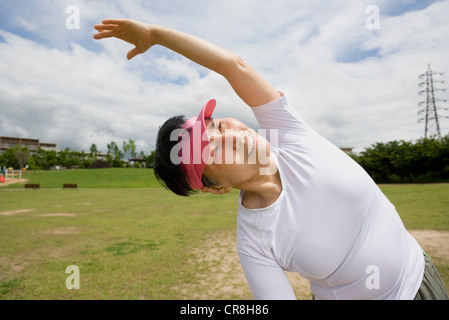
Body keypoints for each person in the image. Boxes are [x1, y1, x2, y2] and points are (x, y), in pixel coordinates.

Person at [93, 19, 449, 300]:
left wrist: (155, 34)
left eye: (216, 124)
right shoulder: (254, 241)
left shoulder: (290, 134)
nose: (232, 133)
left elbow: (233, 65)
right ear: (217, 189)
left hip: (422, 276)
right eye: (212, 149)